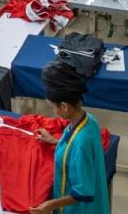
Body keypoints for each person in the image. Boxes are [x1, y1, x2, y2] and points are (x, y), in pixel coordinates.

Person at [29, 62, 109, 214]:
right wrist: (55, 141)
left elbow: (83, 191)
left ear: (64, 106)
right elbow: (76, 149)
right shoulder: (88, 120)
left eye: (53, 107)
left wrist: (51, 205)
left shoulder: (81, 143)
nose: (53, 112)